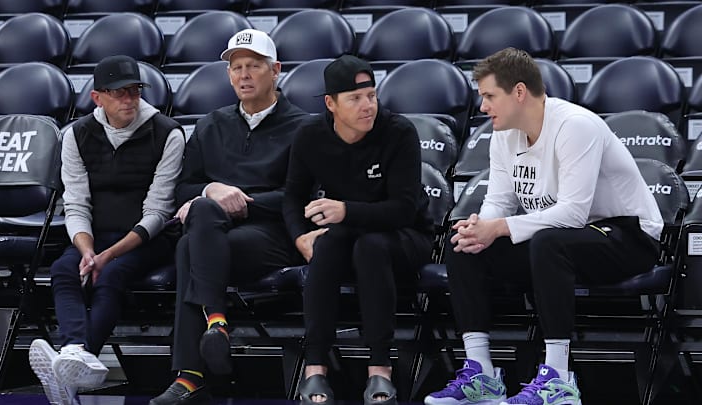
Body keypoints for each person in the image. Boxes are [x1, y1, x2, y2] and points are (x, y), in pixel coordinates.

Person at [424, 47, 663, 405]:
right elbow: (500, 201)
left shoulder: (575, 126)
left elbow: (573, 215)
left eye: (490, 96)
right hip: (558, 240)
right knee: (465, 242)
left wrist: (500, 227)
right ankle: (481, 373)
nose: (483, 107)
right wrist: (481, 227)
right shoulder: (504, 133)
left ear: (519, 92)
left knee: (549, 242)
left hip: (627, 235)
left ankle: (559, 378)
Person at [149, 29, 309, 405]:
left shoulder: (304, 127)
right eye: (236, 67)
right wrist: (211, 192)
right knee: (199, 224)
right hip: (214, 235)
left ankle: (192, 372)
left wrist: (240, 201)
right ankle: (215, 325)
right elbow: (186, 188)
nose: (244, 75)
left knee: (191, 246)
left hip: (272, 237)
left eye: (254, 66)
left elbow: (301, 197)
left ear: (276, 70)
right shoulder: (210, 124)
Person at [28, 55, 185, 405]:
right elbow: (77, 204)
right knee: (63, 269)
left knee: (110, 274)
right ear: (98, 98)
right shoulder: (77, 135)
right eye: (119, 93)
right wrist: (87, 251)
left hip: (149, 238)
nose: (129, 99)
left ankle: (73, 359)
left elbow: (159, 211)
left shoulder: (167, 132)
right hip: (96, 237)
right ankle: (74, 357)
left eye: (134, 91)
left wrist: (107, 256)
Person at [284, 54, 434, 405]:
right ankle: (315, 369)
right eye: (355, 98)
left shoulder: (398, 132)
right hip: (347, 234)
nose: (367, 106)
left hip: (407, 235)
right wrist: (299, 236)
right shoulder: (310, 136)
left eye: (371, 96)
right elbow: (291, 197)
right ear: (330, 103)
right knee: (330, 243)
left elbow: (403, 209)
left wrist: (345, 210)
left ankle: (380, 371)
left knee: (370, 246)